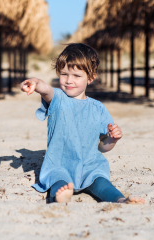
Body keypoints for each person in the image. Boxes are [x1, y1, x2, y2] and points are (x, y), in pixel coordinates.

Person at [21, 43, 144, 204]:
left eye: (76, 76)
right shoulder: (58, 99)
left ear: (90, 78)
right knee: (58, 181)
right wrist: (35, 82)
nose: (69, 81)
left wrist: (112, 139)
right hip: (59, 165)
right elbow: (46, 89)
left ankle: (120, 200)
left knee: (102, 182)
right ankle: (60, 197)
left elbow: (102, 146)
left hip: (90, 166)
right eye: (64, 74)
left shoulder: (98, 108)